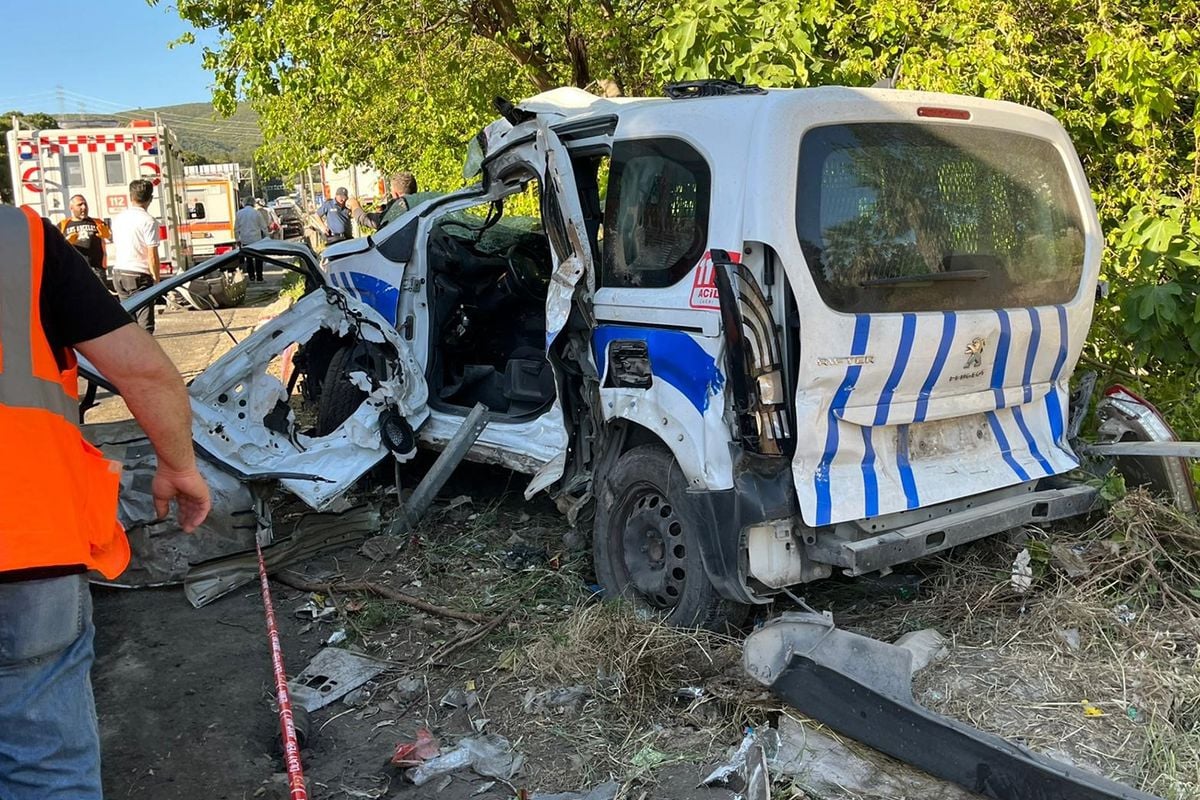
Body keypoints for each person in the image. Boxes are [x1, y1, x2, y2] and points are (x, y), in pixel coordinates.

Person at [0, 203, 211, 799]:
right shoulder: (20, 240)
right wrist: (179, 466)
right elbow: (145, 373)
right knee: (44, 763)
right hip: (27, 541)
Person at [110, 179, 161, 333]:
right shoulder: (149, 221)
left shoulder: (118, 218)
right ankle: (146, 355)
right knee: (145, 324)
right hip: (138, 274)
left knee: (128, 321)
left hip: (119, 272)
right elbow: (152, 254)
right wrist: (156, 280)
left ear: (131, 197)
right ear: (150, 199)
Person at [58, 196, 112, 287]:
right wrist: (66, 242)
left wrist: (108, 236)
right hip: (74, 272)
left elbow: (113, 238)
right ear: (71, 208)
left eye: (85, 204)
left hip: (97, 270)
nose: (84, 207)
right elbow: (56, 249)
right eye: (79, 205)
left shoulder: (97, 222)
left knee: (98, 299)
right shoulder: (63, 225)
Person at [347, 172, 418, 232]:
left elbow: (364, 219)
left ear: (396, 194)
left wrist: (354, 204)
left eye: (391, 192)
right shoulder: (422, 205)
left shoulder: (395, 213)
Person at [235, 196, 269, 282]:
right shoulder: (256, 213)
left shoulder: (239, 213)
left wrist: (237, 240)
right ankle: (259, 277)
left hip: (245, 240)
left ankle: (251, 277)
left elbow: (236, 228)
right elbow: (263, 227)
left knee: (249, 259)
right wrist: (267, 237)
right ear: (253, 203)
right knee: (258, 259)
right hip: (257, 240)